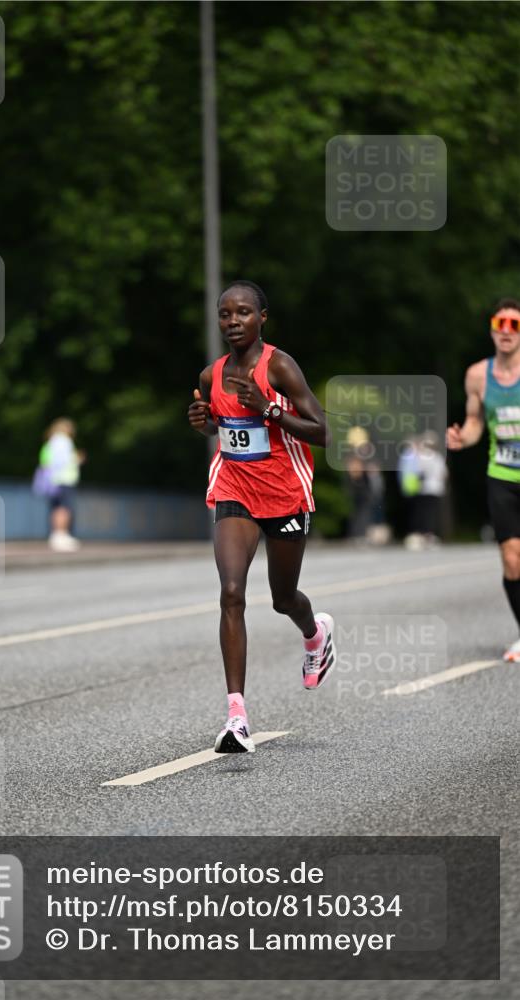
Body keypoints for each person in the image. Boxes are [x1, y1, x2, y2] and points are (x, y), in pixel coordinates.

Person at [188, 280, 335, 753]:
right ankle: (237, 717)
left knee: (282, 596)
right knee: (232, 593)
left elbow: (325, 432)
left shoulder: (281, 366)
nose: (233, 321)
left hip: (286, 494)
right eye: (225, 314)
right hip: (235, 489)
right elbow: (223, 425)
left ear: (262, 318)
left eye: (244, 313)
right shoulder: (213, 374)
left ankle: (315, 635)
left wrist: (269, 408)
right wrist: (204, 422)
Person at [447, 297, 520, 662]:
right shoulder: (478, 375)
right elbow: (475, 422)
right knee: (512, 559)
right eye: (500, 323)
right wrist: (463, 437)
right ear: (492, 329)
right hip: (502, 474)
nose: (506, 331)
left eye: (514, 325)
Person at [38, 418, 86, 552]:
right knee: (64, 508)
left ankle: (56, 535)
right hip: (64, 479)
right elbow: (64, 461)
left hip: (53, 480)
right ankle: (61, 535)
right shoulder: (64, 441)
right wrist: (77, 459)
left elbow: (45, 460)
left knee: (56, 508)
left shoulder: (50, 442)